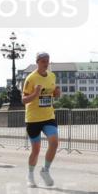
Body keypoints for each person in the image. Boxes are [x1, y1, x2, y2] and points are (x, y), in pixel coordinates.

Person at [21, 51, 60, 187]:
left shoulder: (52, 76)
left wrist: (57, 93)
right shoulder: (31, 78)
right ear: (37, 62)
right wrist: (35, 93)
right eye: (43, 61)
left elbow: (53, 94)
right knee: (36, 150)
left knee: (54, 143)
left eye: (47, 61)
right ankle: (30, 175)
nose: (46, 63)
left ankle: (45, 170)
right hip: (33, 119)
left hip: (48, 116)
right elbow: (24, 100)